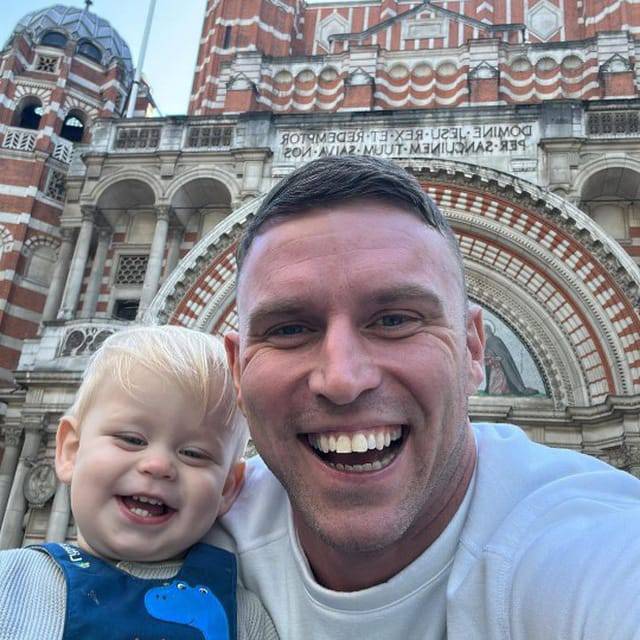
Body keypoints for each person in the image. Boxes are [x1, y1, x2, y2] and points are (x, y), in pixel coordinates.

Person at [216, 155, 640, 639]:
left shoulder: (578, 545)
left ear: (473, 348)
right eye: (290, 329)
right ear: (237, 370)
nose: (342, 379)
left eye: (395, 320)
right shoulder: (189, 523)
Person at [0, 325, 277, 640]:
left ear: (226, 488)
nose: (158, 465)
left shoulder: (244, 618)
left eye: (193, 453)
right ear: (71, 451)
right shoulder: (10, 582)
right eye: (131, 439)